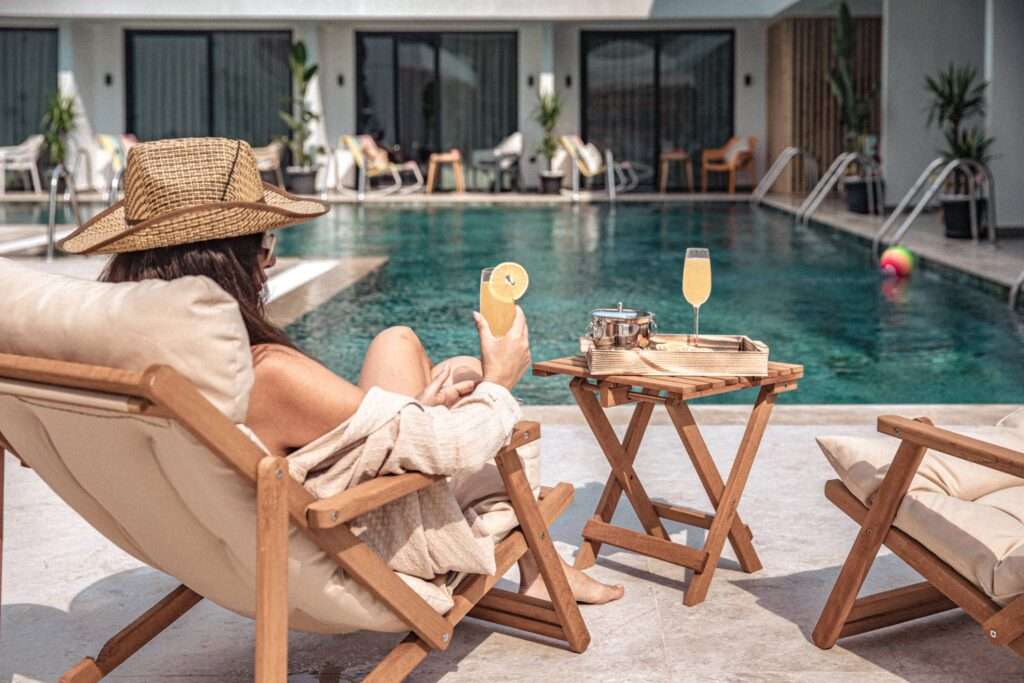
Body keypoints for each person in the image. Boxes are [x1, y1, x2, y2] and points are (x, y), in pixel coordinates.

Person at [59, 137, 622, 605]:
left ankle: (536, 567)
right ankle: (541, 570)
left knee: (402, 344)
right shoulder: (265, 373)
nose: (271, 259)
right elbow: (450, 449)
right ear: (222, 258)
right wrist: (502, 381)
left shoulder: (135, 358)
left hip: (243, 529)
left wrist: (417, 409)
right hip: (361, 538)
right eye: (261, 243)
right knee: (484, 392)